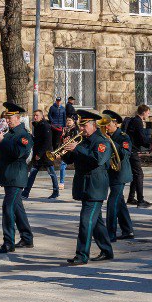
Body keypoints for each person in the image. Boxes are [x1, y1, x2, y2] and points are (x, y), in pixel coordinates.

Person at [62, 109, 115, 265]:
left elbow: (96, 160)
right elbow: (70, 159)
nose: (81, 129)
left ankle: (82, 255)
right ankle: (106, 250)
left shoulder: (102, 141)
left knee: (86, 221)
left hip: (95, 187)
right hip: (84, 186)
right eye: (81, 126)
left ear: (93, 125)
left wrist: (77, 148)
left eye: (84, 126)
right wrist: (65, 148)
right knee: (96, 222)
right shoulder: (84, 140)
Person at [0, 102, 33, 253]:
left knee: (8, 207)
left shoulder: (24, 135)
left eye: (10, 118)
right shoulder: (9, 133)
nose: (7, 121)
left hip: (17, 176)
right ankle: (27, 238)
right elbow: (3, 151)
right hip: (8, 176)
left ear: (18, 118)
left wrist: (3, 140)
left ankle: (8, 242)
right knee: (17, 207)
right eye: (6, 118)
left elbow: (18, 153)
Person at [100, 110, 134, 241]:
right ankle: (128, 230)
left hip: (120, 174)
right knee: (120, 203)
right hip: (110, 173)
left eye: (108, 124)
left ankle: (111, 234)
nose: (106, 127)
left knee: (112, 203)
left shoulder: (123, 136)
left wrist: (111, 143)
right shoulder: (104, 135)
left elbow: (125, 153)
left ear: (115, 123)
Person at [23, 109, 60, 200]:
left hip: (46, 155)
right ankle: (26, 192)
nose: (35, 117)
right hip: (38, 155)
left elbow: (47, 142)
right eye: (34, 115)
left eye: (37, 115)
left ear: (42, 116)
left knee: (51, 173)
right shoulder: (38, 125)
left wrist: (39, 154)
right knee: (32, 173)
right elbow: (37, 140)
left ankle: (56, 191)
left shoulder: (45, 126)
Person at [125, 105, 152, 207]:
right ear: (144, 112)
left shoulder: (134, 120)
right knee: (139, 175)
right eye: (148, 113)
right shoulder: (138, 121)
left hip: (131, 150)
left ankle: (131, 198)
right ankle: (140, 201)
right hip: (132, 152)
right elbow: (142, 139)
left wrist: (149, 145)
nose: (148, 115)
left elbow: (138, 139)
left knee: (135, 175)